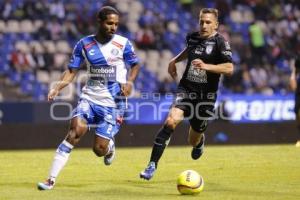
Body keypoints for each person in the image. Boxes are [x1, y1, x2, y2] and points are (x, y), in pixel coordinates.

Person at [37, 6, 140, 190]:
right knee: (75, 131)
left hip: (114, 104)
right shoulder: (84, 44)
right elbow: (71, 71)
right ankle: (50, 179)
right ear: (99, 22)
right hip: (90, 98)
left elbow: (135, 65)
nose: (113, 27)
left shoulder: (123, 44)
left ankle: (109, 148)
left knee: (98, 150)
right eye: (109, 23)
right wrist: (57, 87)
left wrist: (130, 82)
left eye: (116, 24)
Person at [140, 8, 233, 180]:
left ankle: (200, 142)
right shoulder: (193, 37)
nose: (204, 25)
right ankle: (151, 165)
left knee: (193, 139)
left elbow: (229, 68)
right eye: (201, 21)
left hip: (206, 97)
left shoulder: (221, 43)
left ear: (216, 25)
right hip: (186, 89)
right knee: (170, 121)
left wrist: (207, 66)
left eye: (208, 22)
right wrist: (175, 60)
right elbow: (189, 51)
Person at [289, 55, 300, 147]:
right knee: (296, 111)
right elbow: (294, 73)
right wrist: (292, 80)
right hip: (299, 91)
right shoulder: (298, 59)